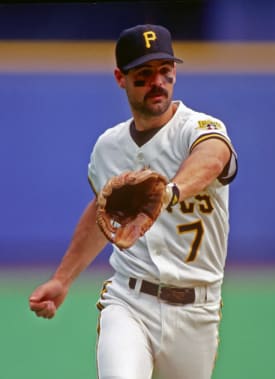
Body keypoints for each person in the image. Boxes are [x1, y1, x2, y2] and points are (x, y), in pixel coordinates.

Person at [29, 24, 237, 379]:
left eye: (165, 72)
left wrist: (168, 193)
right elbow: (104, 212)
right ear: (120, 78)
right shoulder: (108, 147)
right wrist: (62, 279)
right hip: (130, 301)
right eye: (144, 74)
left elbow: (213, 158)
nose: (157, 82)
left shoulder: (199, 127)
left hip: (197, 312)